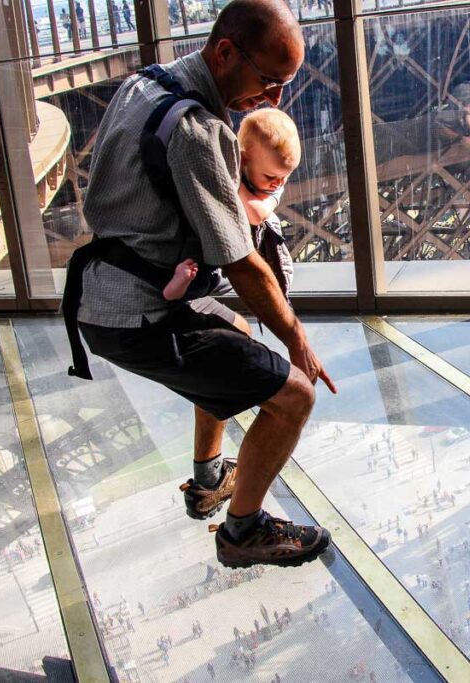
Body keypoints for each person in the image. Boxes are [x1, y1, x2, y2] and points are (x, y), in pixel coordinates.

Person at [65, 0, 336, 568]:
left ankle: (210, 477)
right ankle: (243, 533)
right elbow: (239, 261)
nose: (273, 99)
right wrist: (296, 340)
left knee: (233, 329)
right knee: (294, 396)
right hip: (139, 318)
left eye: (284, 85)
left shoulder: (144, 85)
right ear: (225, 52)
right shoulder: (198, 131)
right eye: (268, 80)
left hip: (108, 293)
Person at [162, 107, 299, 302]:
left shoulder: (273, 190)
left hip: (245, 247)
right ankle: (180, 286)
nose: (278, 183)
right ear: (242, 160)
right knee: (196, 253)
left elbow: (256, 214)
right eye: (270, 176)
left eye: (286, 176)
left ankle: (184, 288)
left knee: (217, 272)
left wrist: (231, 183)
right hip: (216, 233)